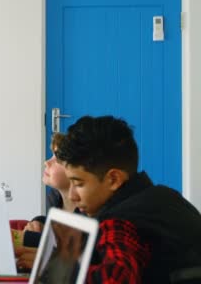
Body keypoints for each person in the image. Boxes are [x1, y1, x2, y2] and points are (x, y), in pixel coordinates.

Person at [55, 115, 201, 283]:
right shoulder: (163, 197)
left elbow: (114, 280)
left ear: (114, 179)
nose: (72, 196)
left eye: (79, 183)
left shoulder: (120, 221)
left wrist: (61, 273)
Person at [14, 133, 78, 269]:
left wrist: (23, 240)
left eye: (58, 159)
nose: (47, 162)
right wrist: (39, 222)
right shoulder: (54, 200)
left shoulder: (88, 211)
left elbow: (71, 248)